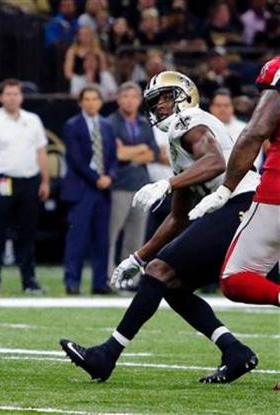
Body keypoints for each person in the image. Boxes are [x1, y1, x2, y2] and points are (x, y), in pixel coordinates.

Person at [60, 71, 260, 384]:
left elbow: (215, 162)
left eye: (166, 98)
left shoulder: (189, 121)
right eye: (155, 102)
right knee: (172, 285)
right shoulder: (179, 139)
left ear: (185, 96)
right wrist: (137, 258)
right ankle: (234, 351)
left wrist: (165, 183)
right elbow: (178, 216)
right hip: (239, 210)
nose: (160, 107)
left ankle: (106, 356)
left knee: (162, 272)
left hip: (241, 205)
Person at [189, 56, 280, 307]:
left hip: (276, 194)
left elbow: (256, 132)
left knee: (235, 278)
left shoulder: (277, 70)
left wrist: (225, 188)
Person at [0, 78, 49, 294]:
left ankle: (29, 281)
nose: (12, 98)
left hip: (29, 181)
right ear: (0, 97)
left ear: (22, 96)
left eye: (16, 94)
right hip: (2, 181)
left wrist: (45, 181)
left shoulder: (33, 120)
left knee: (27, 233)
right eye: (8, 94)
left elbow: (41, 152)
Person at [61, 85, 117, 295]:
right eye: (87, 99)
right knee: (78, 238)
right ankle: (72, 281)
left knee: (102, 239)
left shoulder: (106, 126)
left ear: (100, 102)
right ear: (81, 102)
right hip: (82, 188)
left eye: (95, 99)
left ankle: (99, 283)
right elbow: (75, 160)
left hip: (103, 189)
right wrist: (97, 179)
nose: (91, 102)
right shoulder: (72, 126)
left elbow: (112, 156)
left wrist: (110, 176)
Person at [107, 82, 158, 281]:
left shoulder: (145, 123)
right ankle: (108, 276)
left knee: (136, 236)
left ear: (140, 101)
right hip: (119, 185)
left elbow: (153, 153)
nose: (130, 101)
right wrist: (140, 150)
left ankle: (129, 279)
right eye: (125, 96)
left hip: (141, 184)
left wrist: (130, 152)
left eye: (134, 97)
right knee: (111, 235)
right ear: (119, 99)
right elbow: (116, 153)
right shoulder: (110, 122)